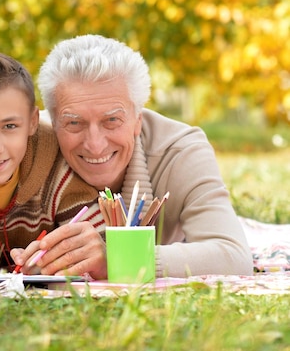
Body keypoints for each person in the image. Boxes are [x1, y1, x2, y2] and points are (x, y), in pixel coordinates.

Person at [32, 34, 252, 278]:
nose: (95, 145)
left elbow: (234, 256)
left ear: (138, 119)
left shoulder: (181, 151)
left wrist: (118, 258)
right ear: (52, 122)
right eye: (74, 122)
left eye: (112, 120)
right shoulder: (24, 146)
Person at [0, 49, 102, 275]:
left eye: (9, 126)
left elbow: (97, 247)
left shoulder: (55, 164)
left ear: (32, 121)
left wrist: (53, 262)